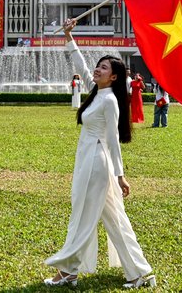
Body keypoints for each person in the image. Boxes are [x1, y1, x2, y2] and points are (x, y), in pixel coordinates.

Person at [44, 18, 155, 289]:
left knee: (81, 216)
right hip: (87, 160)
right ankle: (141, 273)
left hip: (97, 163)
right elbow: (81, 66)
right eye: (98, 65)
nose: (97, 69)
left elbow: (113, 140)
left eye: (103, 67)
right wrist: (69, 36)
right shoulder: (96, 92)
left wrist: (120, 176)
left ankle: (67, 271)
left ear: (113, 76)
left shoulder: (110, 101)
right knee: (114, 219)